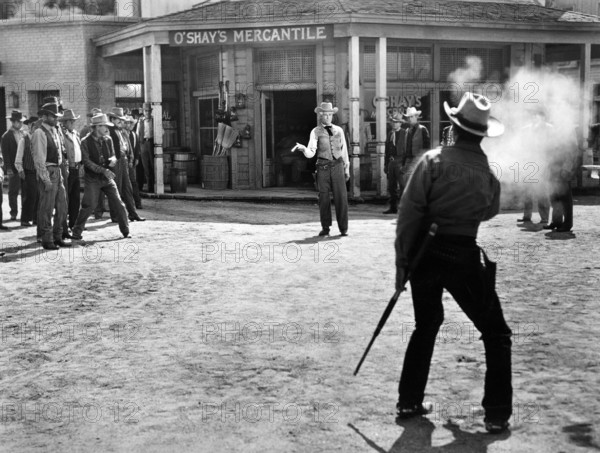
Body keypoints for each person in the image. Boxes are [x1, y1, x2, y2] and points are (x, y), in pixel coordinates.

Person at [395, 92, 512, 434]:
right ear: (481, 134)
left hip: (425, 255)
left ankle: (409, 400)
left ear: (454, 128)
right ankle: (496, 413)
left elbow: (409, 214)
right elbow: (490, 211)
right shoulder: (487, 172)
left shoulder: (432, 160)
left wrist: (403, 266)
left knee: (426, 324)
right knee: (497, 332)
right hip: (463, 254)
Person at [292, 102, 350, 236]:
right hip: (322, 168)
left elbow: (344, 151)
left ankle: (343, 228)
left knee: (341, 197)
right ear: (321, 116)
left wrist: (346, 168)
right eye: (325, 115)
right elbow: (311, 152)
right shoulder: (315, 131)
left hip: (337, 166)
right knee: (323, 199)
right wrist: (304, 149)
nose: (328, 117)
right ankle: (326, 228)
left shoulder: (339, 130)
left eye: (330, 115)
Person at [71, 114, 130, 240]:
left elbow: (114, 154)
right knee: (89, 205)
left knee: (119, 204)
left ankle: (125, 231)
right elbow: (86, 162)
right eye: (104, 126)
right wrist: (103, 170)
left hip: (106, 178)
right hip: (92, 178)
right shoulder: (85, 142)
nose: (107, 129)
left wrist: (113, 160)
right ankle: (76, 232)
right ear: (97, 127)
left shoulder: (108, 139)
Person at [31, 103, 70, 250]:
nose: (56, 119)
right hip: (48, 170)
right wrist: (45, 178)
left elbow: (61, 152)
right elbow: (39, 159)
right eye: (53, 116)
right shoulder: (39, 133)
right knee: (46, 207)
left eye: (57, 116)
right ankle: (47, 239)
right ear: (45, 116)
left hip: (57, 170)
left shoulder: (55, 131)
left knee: (62, 206)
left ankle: (58, 236)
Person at [107, 108, 145, 222]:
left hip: (124, 160)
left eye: (120, 119)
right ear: (112, 119)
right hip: (115, 161)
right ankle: (115, 216)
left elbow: (127, 146)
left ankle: (133, 213)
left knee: (128, 188)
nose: (120, 121)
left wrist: (130, 158)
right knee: (116, 189)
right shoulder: (109, 131)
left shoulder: (121, 131)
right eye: (117, 119)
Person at [517, 109, 551, 225]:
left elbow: (554, 147)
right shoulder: (526, 130)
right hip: (528, 163)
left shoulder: (550, 129)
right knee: (527, 192)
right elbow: (521, 146)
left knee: (542, 192)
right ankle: (527, 216)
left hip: (543, 163)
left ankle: (545, 217)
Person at [543, 127, 578, 232]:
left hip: (562, 168)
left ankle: (567, 224)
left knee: (565, 198)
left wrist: (566, 168)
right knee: (554, 197)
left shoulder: (568, 128)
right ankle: (557, 222)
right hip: (553, 167)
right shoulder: (554, 128)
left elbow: (572, 151)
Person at [1, 110, 27, 222]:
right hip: (13, 168)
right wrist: (9, 169)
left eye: (21, 122)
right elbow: (5, 154)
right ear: (13, 122)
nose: (20, 124)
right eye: (18, 122)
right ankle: (13, 212)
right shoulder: (6, 136)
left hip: (25, 167)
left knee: (25, 191)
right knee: (13, 191)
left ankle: (25, 213)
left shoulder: (25, 134)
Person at [59, 109, 83, 232]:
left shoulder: (75, 134)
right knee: (65, 198)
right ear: (66, 122)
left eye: (73, 121)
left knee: (75, 198)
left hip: (76, 169)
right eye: (71, 121)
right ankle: (63, 227)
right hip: (67, 169)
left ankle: (73, 223)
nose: (73, 123)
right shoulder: (62, 135)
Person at [15, 116, 39, 227]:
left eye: (34, 124)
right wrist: (20, 170)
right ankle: (25, 219)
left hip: (39, 171)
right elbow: (18, 158)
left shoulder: (39, 138)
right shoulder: (24, 140)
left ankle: (36, 218)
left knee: (38, 195)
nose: (32, 126)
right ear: (29, 126)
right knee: (30, 195)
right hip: (28, 171)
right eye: (30, 124)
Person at [383, 112, 407, 214]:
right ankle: (393, 207)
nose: (395, 124)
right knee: (391, 186)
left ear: (401, 123)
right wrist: (385, 164)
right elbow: (387, 150)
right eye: (393, 122)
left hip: (400, 161)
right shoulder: (390, 134)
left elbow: (406, 149)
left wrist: (405, 164)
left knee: (402, 186)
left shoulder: (405, 133)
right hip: (391, 162)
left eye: (397, 122)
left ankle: (403, 208)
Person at [125, 115, 143, 209]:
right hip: (124, 161)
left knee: (133, 182)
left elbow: (137, 148)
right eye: (128, 123)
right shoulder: (123, 134)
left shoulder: (134, 135)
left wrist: (136, 158)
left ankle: (137, 202)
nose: (130, 125)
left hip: (132, 163)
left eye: (131, 123)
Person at [136, 102, 155, 193]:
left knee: (152, 165)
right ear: (143, 112)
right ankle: (147, 187)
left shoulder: (154, 120)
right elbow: (137, 134)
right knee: (145, 166)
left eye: (149, 111)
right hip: (143, 143)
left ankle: (152, 187)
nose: (147, 113)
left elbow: (161, 132)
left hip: (151, 143)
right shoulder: (140, 121)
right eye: (145, 111)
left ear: (151, 112)